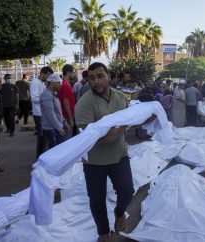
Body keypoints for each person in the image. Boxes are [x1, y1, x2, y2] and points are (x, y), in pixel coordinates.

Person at [75, 62, 134, 242]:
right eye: (92, 78)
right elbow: (85, 137)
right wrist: (110, 135)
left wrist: (148, 117)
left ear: (109, 76)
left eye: (100, 76)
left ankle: (119, 213)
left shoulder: (120, 97)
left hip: (119, 156)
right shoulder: (84, 103)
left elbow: (130, 119)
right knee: (97, 200)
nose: (96, 81)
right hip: (94, 162)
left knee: (127, 191)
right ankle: (103, 232)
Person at [30, 66, 54, 158]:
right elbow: (34, 98)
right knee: (42, 138)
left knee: (44, 138)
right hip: (39, 113)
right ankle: (39, 157)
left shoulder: (41, 83)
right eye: (48, 76)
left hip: (43, 113)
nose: (48, 78)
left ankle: (42, 156)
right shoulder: (36, 82)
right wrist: (46, 99)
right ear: (43, 73)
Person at [40, 74, 68, 149]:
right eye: (59, 83)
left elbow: (58, 111)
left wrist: (64, 122)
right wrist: (59, 128)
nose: (60, 85)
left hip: (55, 127)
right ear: (53, 83)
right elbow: (50, 114)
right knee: (55, 152)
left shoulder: (52, 94)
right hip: (51, 129)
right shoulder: (46, 95)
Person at [58, 64, 76, 140]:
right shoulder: (66, 85)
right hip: (66, 116)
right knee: (67, 140)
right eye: (73, 72)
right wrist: (70, 118)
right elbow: (66, 102)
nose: (74, 74)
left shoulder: (64, 83)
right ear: (69, 72)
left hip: (65, 116)